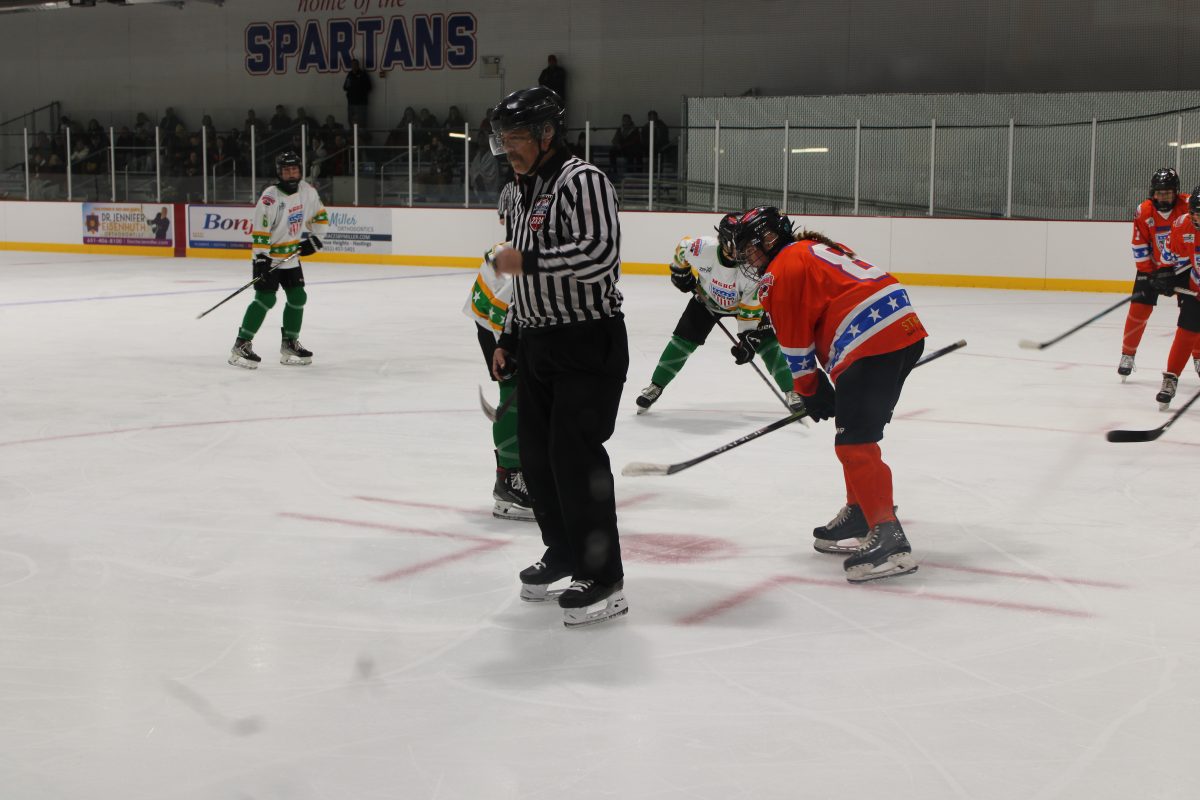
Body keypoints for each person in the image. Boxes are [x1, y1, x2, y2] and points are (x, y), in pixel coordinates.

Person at [487, 86, 629, 627]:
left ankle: (604, 575)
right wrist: (508, 337)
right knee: (538, 459)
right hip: (540, 342)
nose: (507, 147)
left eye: (516, 136)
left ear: (548, 134)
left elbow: (598, 255)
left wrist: (526, 259)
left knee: (576, 458)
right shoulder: (519, 191)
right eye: (502, 137)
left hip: (588, 340)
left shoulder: (582, 181)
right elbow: (522, 286)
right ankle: (564, 552)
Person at [734, 206, 927, 583]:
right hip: (901, 328)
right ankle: (860, 511)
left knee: (854, 443)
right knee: (855, 433)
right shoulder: (810, 248)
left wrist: (809, 389)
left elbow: (794, 342)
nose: (745, 257)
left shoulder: (779, 271)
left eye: (748, 248)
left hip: (870, 341)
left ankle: (888, 535)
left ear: (769, 239)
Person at [636, 213, 796, 413]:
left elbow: (750, 308)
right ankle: (656, 385)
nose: (746, 250)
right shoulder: (703, 248)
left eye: (747, 243)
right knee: (682, 341)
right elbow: (683, 248)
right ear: (725, 242)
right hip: (706, 301)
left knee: (767, 344)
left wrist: (747, 337)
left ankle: (792, 390)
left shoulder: (753, 266)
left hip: (743, 307)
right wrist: (680, 272)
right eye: (739, 243)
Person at [463, 188, 534, 520]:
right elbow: (490, 311)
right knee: (514, 397)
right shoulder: (506, 257)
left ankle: (527, 472)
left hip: (521, 330)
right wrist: (504, 350)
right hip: (505, 336)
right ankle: (508, 481)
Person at [228, 150, 329, 369]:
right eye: (286, 170)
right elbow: (260, 231)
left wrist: (316, 240)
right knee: (266, 299)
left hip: (291, 257)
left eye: (294, 169)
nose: (291, 174)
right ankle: (241, 344)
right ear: (279, 173)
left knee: (298, 296)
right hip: (269, 258)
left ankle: (290, 342)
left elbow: (320, 216)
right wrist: (262, 259)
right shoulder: (270, 197)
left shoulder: (306, 191)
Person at [1119, 168, 1199, 379]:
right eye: (1159, 192)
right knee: (1138, 310)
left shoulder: (1188, 206)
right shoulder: (1144, 211)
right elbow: (1139, 244)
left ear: (1176, 192)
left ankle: (1198, 356)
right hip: (1154, 268)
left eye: (1168, 192)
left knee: (1193, 313)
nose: (1163, 196)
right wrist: (1150, 273)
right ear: (1152, 192)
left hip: (1183, 268)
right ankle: (1127, 354)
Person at [1154, 188, 1200, 408]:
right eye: (1196, 213)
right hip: (1196, 287)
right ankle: (1170, 378)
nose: (1197, 218)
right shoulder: (1183, 224)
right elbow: (1169, 254)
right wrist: (1165, 274)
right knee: (1185, 332)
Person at [343, 59, 372, 128]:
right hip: (351, 103)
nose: (354, 66)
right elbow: (345, 87)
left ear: (358, 65)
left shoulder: (363, 74)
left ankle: (361, 137)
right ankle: (352, 137)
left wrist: (359, 88)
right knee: (351, 121)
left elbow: (369, 87)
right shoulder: (349, 75)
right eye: (352, 65)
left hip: (361, 104)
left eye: (355, 64)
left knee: (362, 122)